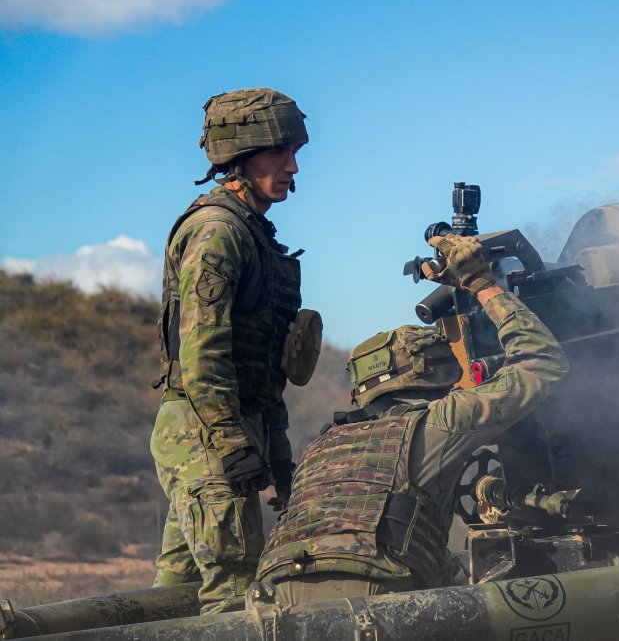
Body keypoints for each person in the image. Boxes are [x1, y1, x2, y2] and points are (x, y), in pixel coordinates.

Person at [256, 233, 568, 605]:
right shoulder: (442, 419)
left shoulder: (323, 444)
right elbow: (544, 363)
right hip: (375, 596)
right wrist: (484, 287)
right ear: (433, 374)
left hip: (275, 595)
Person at [151, 88, 322, 614]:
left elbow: (261, 366)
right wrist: (229, 442)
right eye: (279, 153)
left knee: (175, 599)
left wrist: (277, 458)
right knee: (233, 597)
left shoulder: (253, 234)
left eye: (296, 152)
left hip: (220, 430)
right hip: (204, 433)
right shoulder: (218, 231)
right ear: (240, 156)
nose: (293, 166)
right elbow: (202, 352)